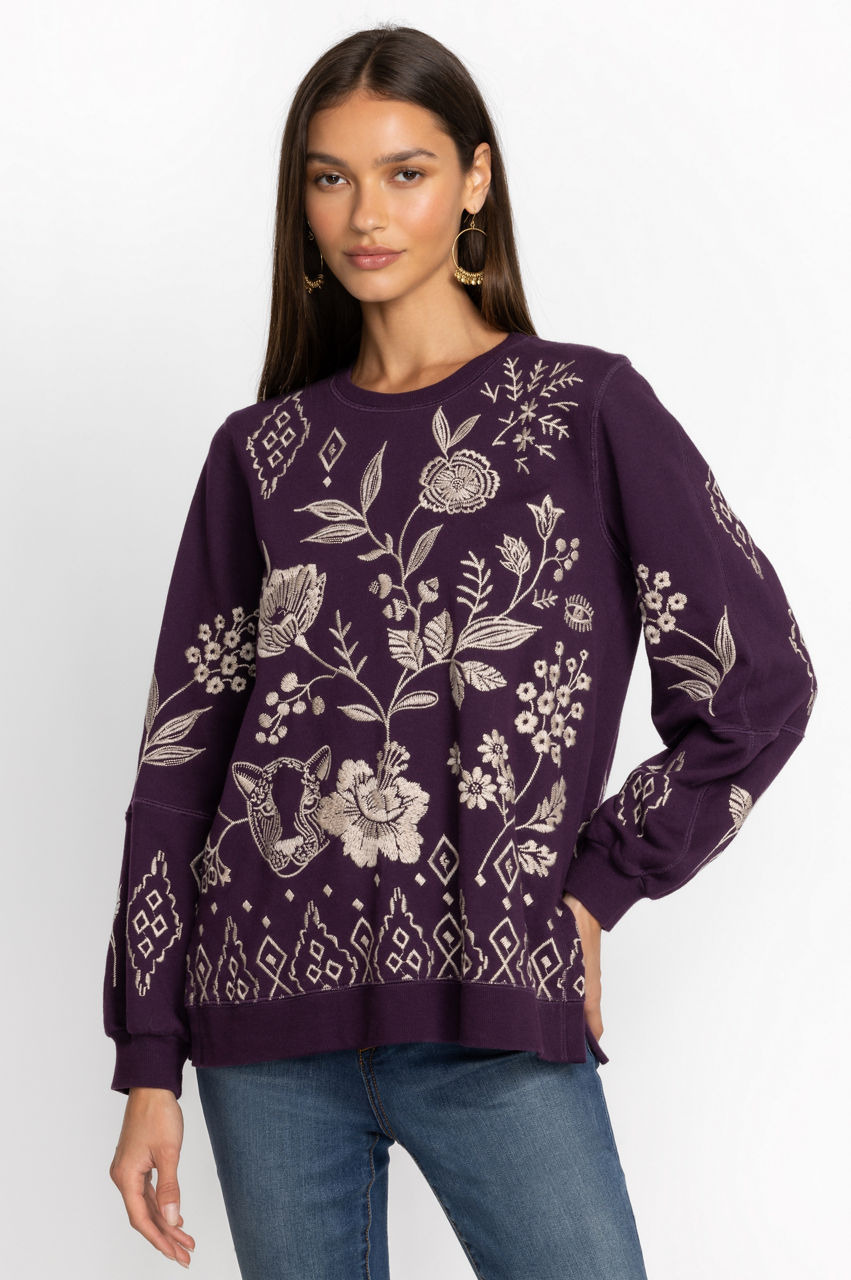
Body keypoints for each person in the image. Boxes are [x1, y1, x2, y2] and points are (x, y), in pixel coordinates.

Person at [104, 23, 818, 1280]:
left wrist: (595, 885)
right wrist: (148, 1063)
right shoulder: (260, 455)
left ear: (474, 181)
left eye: (405, 171)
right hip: (261, 1034)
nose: (365, 213)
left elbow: (757, 683)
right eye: (330, 178)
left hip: (492, 1009)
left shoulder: (583, 409)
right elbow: (179, 770)